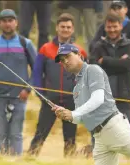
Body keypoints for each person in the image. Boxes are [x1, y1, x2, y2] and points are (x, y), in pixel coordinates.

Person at [28, 13, 87, 157]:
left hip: (71, 102)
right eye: (63, 27)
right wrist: (41, 95)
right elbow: (36, 74)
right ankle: (29, 160)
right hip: (50, 101)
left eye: (68, 27)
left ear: (72, 30)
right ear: (57, 28)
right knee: (40, 134)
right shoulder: (45, 49)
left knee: (70, 138)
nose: (65, 30)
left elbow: (85, 76)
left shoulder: (80, 51)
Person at [0, 9, 37, 156]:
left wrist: (27, 90)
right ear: (0, 23)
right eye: (4, 21)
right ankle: (2, 164)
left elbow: (37, 69)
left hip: (19, 97)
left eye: (10, 20)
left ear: (16, 23)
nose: (7, 24)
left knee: (16, 133)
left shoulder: (25, 43)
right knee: (1, 133)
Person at [90, 13, 130, 128]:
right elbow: (93, 69)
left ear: (121, 26)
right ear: (105, 28)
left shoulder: (129, 45)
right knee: (100, 135)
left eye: (115, 26)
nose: (112, 30)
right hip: (102, 98)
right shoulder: (98, 46)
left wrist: (105, 61)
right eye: (109, 27)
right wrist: (119, 63)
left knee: (127, 136)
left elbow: (128, 65)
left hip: (123, 96)